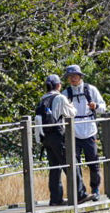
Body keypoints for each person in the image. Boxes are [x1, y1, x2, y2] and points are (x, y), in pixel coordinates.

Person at [34, 74, 83, 205]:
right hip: (58, 136)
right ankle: (80, 195)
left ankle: (55, 199)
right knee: (71, 164)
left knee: (54, 168)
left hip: (46, 138)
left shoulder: (43, 99)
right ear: (58, 85)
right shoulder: (60, 98)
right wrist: (70, 104)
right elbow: (72, 113)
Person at [62, 65, 107, 201]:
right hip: (73, 131)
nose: (72, 78)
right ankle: (80, 192)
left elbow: (103, 107)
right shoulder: (65, 93)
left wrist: (96, 106)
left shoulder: (91, 89)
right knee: (74, 164)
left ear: (80, 76)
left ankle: (95, 190)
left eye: (75, 75)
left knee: (93, 162)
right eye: (70, 76)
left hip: (89, 130)